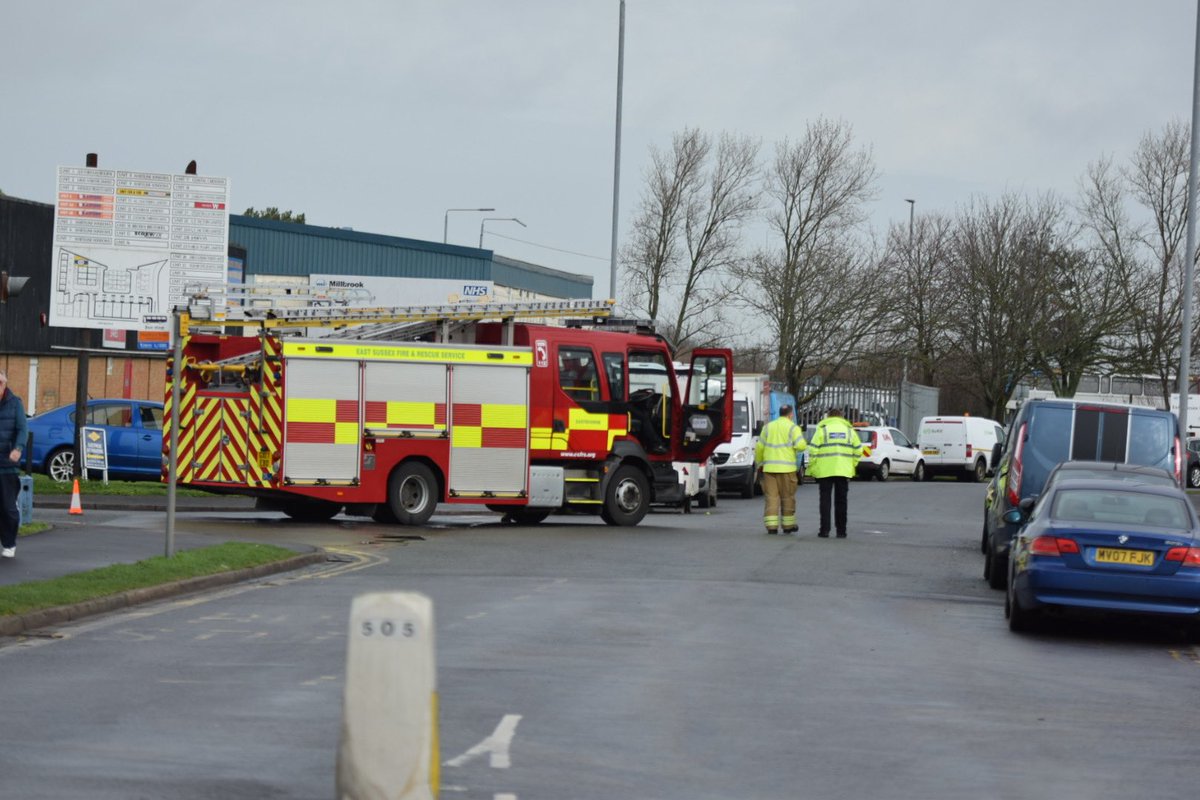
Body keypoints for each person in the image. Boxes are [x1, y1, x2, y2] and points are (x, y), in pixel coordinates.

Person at [807, 406, 863, 538]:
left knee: (825, 501)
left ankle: (824, 530)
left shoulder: (822, 430)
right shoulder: (850, 431)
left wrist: (813, 467)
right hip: (843, 471)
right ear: (841, 417)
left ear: (829, 417)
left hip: (825, 471)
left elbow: (813, 450)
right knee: (841, 501)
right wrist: (852, 465)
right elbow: (858, 450)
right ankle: (841, 531)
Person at [754, 404, 807, 534]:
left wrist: (759, 463)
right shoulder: (793, 428)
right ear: (790, 415)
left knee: (771, 497)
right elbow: (801, 446)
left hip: (769, 469)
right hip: (787, 469)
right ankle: (788, 526)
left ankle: (771, 527)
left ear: (779, 413)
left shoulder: (768, 427)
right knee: (787, 497)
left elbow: (759, 448)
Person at [0, 369, 28, 559]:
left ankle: (9, 543)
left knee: (7, 507)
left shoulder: (15, 403)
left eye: (0, 382)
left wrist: (18, 448)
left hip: (6, 465)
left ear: (5, 383)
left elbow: (22, 429)